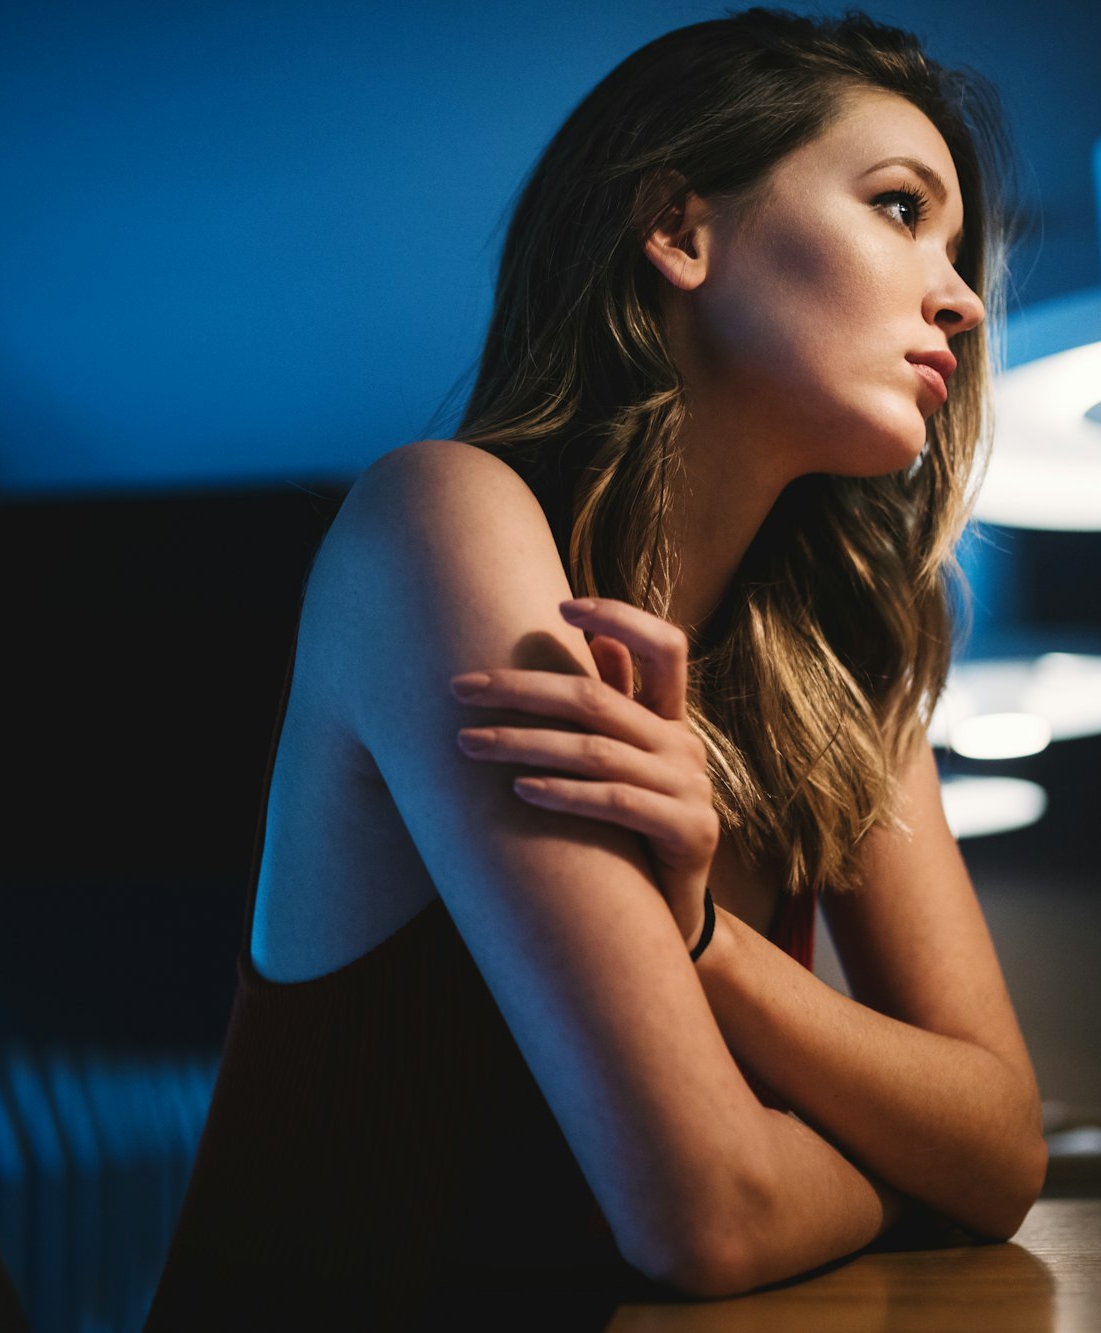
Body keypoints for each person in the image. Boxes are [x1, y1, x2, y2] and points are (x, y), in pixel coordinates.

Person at [147, 8, 1044, 1324]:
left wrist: (704, 941)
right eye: (901, 209)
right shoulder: (438, 524)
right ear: (679, 229)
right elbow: (715, 1214)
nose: (962, 297)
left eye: (958, 250)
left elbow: (1006, 1144)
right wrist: (911, 1170)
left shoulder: (835, 664)